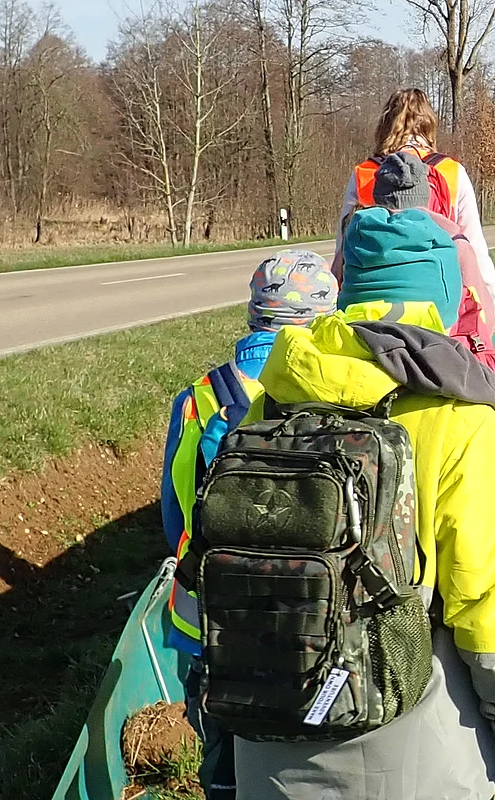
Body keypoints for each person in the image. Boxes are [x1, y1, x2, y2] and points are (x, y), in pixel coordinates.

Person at [231, 206, 495, 799]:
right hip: (414, 756)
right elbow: (491, 603)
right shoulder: (456, 414)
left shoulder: (276, 398)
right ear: (442, 294)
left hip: (269, 747)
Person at [158, 250, 340, 799]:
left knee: (224, 759)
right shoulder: (340, 391)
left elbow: (174, 518)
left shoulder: (198, 399)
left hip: (211, 622)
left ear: (252, 313)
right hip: (313, 615)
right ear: (326, 317)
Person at [339, 88, 495, 370]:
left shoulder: (364, 173)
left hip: (368, 311)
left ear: (385, 125)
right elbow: (474, 246)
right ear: (429, 125)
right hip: (439, 309)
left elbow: (342, 249)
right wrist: (491, 308)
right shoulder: (451, 171)